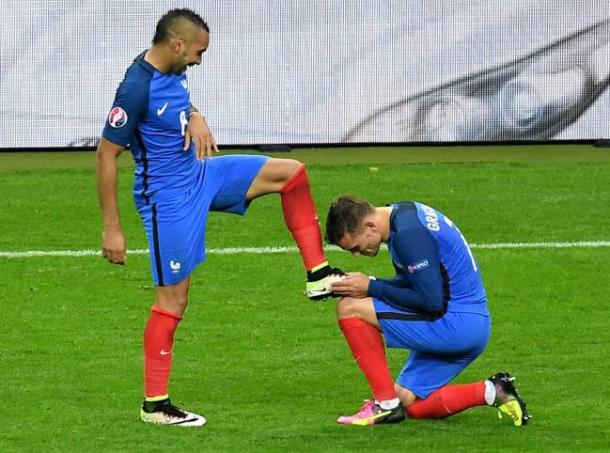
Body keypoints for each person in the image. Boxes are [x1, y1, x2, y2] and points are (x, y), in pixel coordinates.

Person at [96, 8, 343, 427]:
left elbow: (175, 98)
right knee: (174, 299)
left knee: (291, 174)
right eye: (198, 52)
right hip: (167, 199)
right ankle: (155, 405)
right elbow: (105, 154)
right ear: (177, 44)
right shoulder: (134, 87)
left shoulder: (167, 64)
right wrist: (112, 228)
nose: (199, 60)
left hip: (200, 172)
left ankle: (317, 272)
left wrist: (195, 114)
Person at [324, 195, 530, 426]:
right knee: (407, 402)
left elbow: (430, 300)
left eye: (355, 246)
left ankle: (384, 405)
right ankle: (494, 391)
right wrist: (367, 284)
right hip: (470, 323)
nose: (356, 254)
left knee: (349, 309)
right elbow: (419, 282)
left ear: (370, 225)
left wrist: (371, 287)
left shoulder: (408, 236)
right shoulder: (402, 216)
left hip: (454, 324)